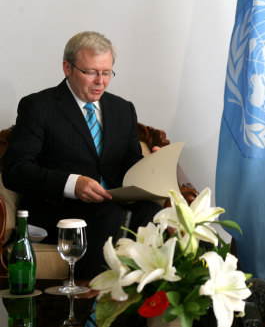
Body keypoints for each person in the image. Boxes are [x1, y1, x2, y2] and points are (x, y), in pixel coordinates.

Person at [2, 31, 163, 279]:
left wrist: (153, 166)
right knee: (108, 215)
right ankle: (91, 303)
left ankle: (142, 300)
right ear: (67, 68)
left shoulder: (123, 109)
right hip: (59, 211)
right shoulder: (39, 107)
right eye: (90, 72)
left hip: (114, 205)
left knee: (154, 213)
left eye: (106, 72)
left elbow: (130, 163)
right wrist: (72, 184)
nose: (100, 81)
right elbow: (15, 170)